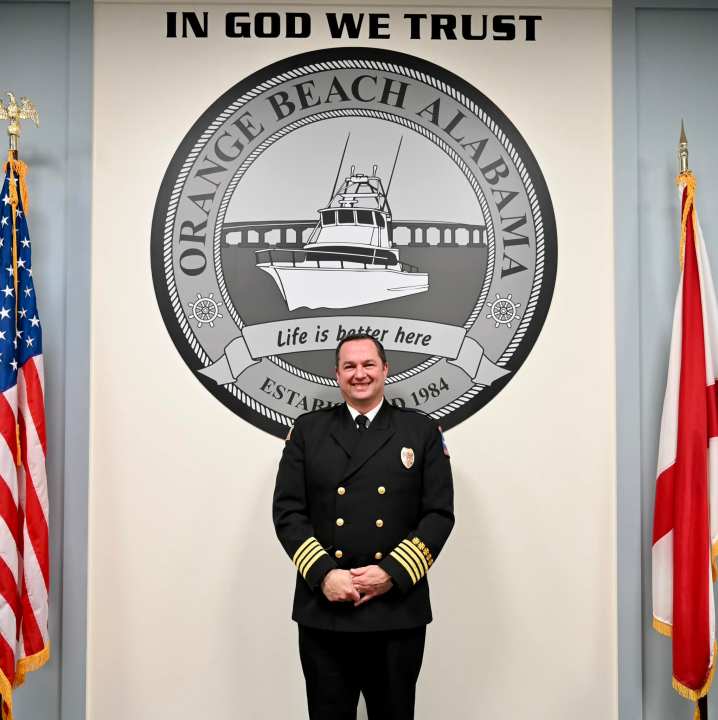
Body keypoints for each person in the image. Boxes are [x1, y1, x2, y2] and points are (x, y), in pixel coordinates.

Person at [272, 333, 455, 720]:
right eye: (350, 366)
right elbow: (288, 511)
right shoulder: (307, 432)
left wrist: (390, 572)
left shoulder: (420, 433)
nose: (360, 374)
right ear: (336, 375)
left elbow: (438, 514)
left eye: (368, 364)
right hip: (325, 609)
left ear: (385, 370)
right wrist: (324, 575)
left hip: (396, 610)